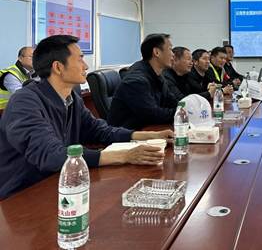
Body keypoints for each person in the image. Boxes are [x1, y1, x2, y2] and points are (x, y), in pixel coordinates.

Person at [0, 35, 173, 199]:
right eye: (80, 59)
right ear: (58, 67)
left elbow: (98, 130)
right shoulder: (24, 102)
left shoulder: (71, 98)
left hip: (61, 182)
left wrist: (151, 136)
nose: (86, 66)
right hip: (22, 194)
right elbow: (51, 155)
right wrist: (125, 155)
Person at [108, 34, 177, 130]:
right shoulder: (136, 81)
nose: (173, 54)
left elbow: (171, 101)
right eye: (170, 49)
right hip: (128, 135)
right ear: (156, 52)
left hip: (147, 130)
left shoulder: (157, 75)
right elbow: (153, 115)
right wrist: (181, 113)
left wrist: (186, 109)